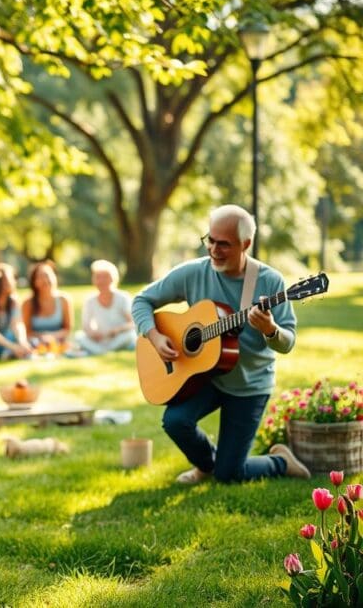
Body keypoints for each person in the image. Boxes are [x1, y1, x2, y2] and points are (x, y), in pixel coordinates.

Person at [131, 204, 310, 484]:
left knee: (229, 475)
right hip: (207, 376)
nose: (214, 250)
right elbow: (142, 300)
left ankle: (280, 461)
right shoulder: (193, 272)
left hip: (250, 385)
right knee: (175, 421)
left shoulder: (269, 281)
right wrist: (154, 335)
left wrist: (270, 329)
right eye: (210, 240)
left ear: (245, 244)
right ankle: (206, 464)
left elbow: (287, 342)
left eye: (223, 244)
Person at [73, 259, 137, 355]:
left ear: (113, 279)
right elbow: (86, 326)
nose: (102, 281)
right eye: (98, 277)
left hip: (120, 336)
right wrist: (93, 333)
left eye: (105, 277)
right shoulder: (90, 301)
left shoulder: (123, 298)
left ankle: (99, 351)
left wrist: (117, 330)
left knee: (130, 335)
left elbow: (133, 323)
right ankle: (104, 350)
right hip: (101, 339)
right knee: (79, 336)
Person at [21, 260, 73, 351]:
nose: (45, 280)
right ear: (34, 282)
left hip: (59, 341)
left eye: (48, 275)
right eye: (40, 277)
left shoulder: (64, 300)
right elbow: (27, 331)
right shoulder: (28, 303)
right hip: (35, 342)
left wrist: (52, 337)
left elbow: (67, 329)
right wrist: (43, 337)